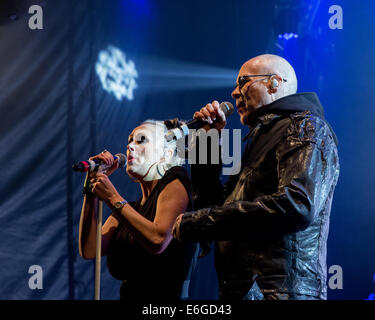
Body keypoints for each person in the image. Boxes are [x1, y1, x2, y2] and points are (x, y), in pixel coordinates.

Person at [172, 54, 340, 300]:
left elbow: (298, 205)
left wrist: (200, 221)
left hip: (280, 293)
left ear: (274, 83)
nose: (234, 93)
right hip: (243, 291)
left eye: (243, 82)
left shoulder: (305, 126)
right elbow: (214, 205)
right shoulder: (257, 138)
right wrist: (208, 139)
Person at [78, 120, 198, 301]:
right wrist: (90, 190)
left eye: (141, 140)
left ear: (167, 153)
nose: (130, 146)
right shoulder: (130, 209)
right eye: (130, 141)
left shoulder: (176, 179)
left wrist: (112, 198)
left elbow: (158, 240)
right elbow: (89, 249)